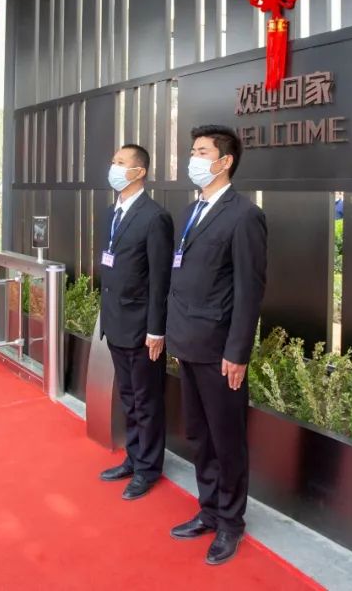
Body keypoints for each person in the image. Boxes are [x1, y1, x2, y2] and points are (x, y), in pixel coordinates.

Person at [166, 125, 267, 566]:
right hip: (187, 342)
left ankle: (230, 522)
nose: (194, 159)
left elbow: (249, 290)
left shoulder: (244, 215)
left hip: (220, 351)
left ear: (225, 161)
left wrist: (237, 352)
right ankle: (208, 509)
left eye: (202, 152)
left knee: (227, 440)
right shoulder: (192, 210)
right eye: (193, 151)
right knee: (199, 434)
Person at [97, 144, 174, 500]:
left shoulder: (154, 217)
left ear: (139, 172)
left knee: (146, 401)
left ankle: (148, 469)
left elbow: (160, 280)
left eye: (120, 162)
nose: (113, 167)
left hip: (142, 329)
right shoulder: (112, 213)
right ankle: (134, 457)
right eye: (113, 161)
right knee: (128, 398)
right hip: (116, 323)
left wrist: (156, 329)